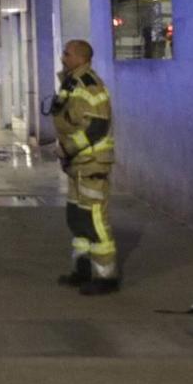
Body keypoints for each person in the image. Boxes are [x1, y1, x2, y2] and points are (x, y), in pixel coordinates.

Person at [48, 38, 118, 294]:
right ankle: (82, 269)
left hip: (92, 164)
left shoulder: (90, 86)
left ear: (80, 57)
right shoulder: (71, 83)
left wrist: (68, 148)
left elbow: (97, 126)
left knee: (94, 219)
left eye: (66, 54)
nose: (62, 58)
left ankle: (106, 276)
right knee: (77, 218)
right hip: (78, 164)